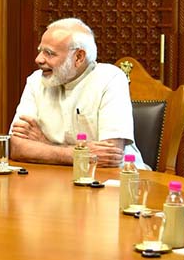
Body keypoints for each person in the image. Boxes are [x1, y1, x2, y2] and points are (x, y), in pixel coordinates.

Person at [10, 18, 146, 169]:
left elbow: (109, 157)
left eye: (49, 53)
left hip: (117, 181)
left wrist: (43, 145)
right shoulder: (36, 80)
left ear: (79, 57)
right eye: (40, 51)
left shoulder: (110, 79)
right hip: (57, 180)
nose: (38, 59)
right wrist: (78, 154)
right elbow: (16, 147)